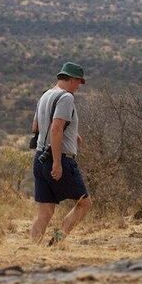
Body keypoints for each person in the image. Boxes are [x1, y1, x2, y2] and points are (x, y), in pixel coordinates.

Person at [30, 62, 92, 246]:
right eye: (78, 82)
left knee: (45, 211)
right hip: (59, 159)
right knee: (84, 204)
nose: (79, 86)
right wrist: (57, 162)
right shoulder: (66, 98)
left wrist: (73, 135)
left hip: (39, 159)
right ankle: (56, 242)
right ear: (71, 79)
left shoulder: (45, 95)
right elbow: (56, 128)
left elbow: (37, 127)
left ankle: (33, 250)